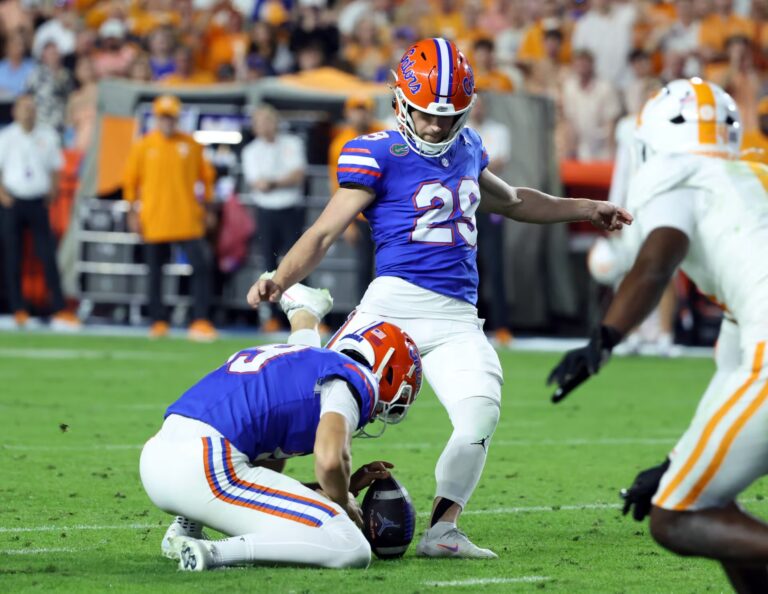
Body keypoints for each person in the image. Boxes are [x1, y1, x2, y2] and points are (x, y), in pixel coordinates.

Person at [247, 37, 631, 559]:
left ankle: (443, 530)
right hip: (391, 307)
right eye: (425, 114)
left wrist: (585, 207)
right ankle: (267, 501)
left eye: (445, 117)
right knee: (319, 407)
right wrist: (280, 276)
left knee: (480, 414)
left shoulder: (467, 147)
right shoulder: (377, 152)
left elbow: (514, 201)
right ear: (400, 102)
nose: (434, 126)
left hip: (456, 318)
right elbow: (323, 232)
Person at [547, 79, 768, 593]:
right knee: (708, 499)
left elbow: (656, 261)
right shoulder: (749, 184)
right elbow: (731, 384)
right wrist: (674, 465)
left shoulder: (680, 171)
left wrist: (604, 339)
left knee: (677, 518)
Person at [140, 283, 423, 570]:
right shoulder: (352, 379)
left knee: (268, 464)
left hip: (159, 457)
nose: (376, 415)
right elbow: (329, 461)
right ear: (385, 371)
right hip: (206, 466)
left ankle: (186, 527)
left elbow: (266, 478)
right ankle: (212, 552)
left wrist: (341, 487)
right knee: (350, 546)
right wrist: (342, 501)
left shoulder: (300, 359)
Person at [123, 94, 217, 342]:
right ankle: (158, 321)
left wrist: (208, 209)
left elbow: (207, 178)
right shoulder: (143, 146)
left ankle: (200, 320)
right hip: (154, 219)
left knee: (201, 267)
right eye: (163, 117)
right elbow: (130, 182)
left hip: (187, 219)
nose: (167, 122)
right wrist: (132, 213)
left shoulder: (192, 144)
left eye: (171, 117)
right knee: (155, 272)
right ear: (157, 118)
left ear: (177, 118)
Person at [0, 94, 79, 330]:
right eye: (24, 108)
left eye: (31, 108)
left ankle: (59, 308)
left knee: (47, 254)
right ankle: (17, 308)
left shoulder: (47, 136)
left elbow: (56, 168)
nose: (28, 112)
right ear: (15, 112)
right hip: (13, 200)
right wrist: (3, 195)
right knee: (12, 255)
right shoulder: (6, 136)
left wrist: (52, 193)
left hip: (38, 201)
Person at [241, 104, 307, 332]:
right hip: (266, 211)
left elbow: (298, 175)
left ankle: (305, 315)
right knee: (268, 266)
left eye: (269, 120)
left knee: (299, 262)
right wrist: (280, 181)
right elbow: (258, 183)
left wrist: (272, 182)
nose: (266, 126)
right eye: (261, 122)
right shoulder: (251, 151)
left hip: (291, 210)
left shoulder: (292, 143)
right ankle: (271, 317)